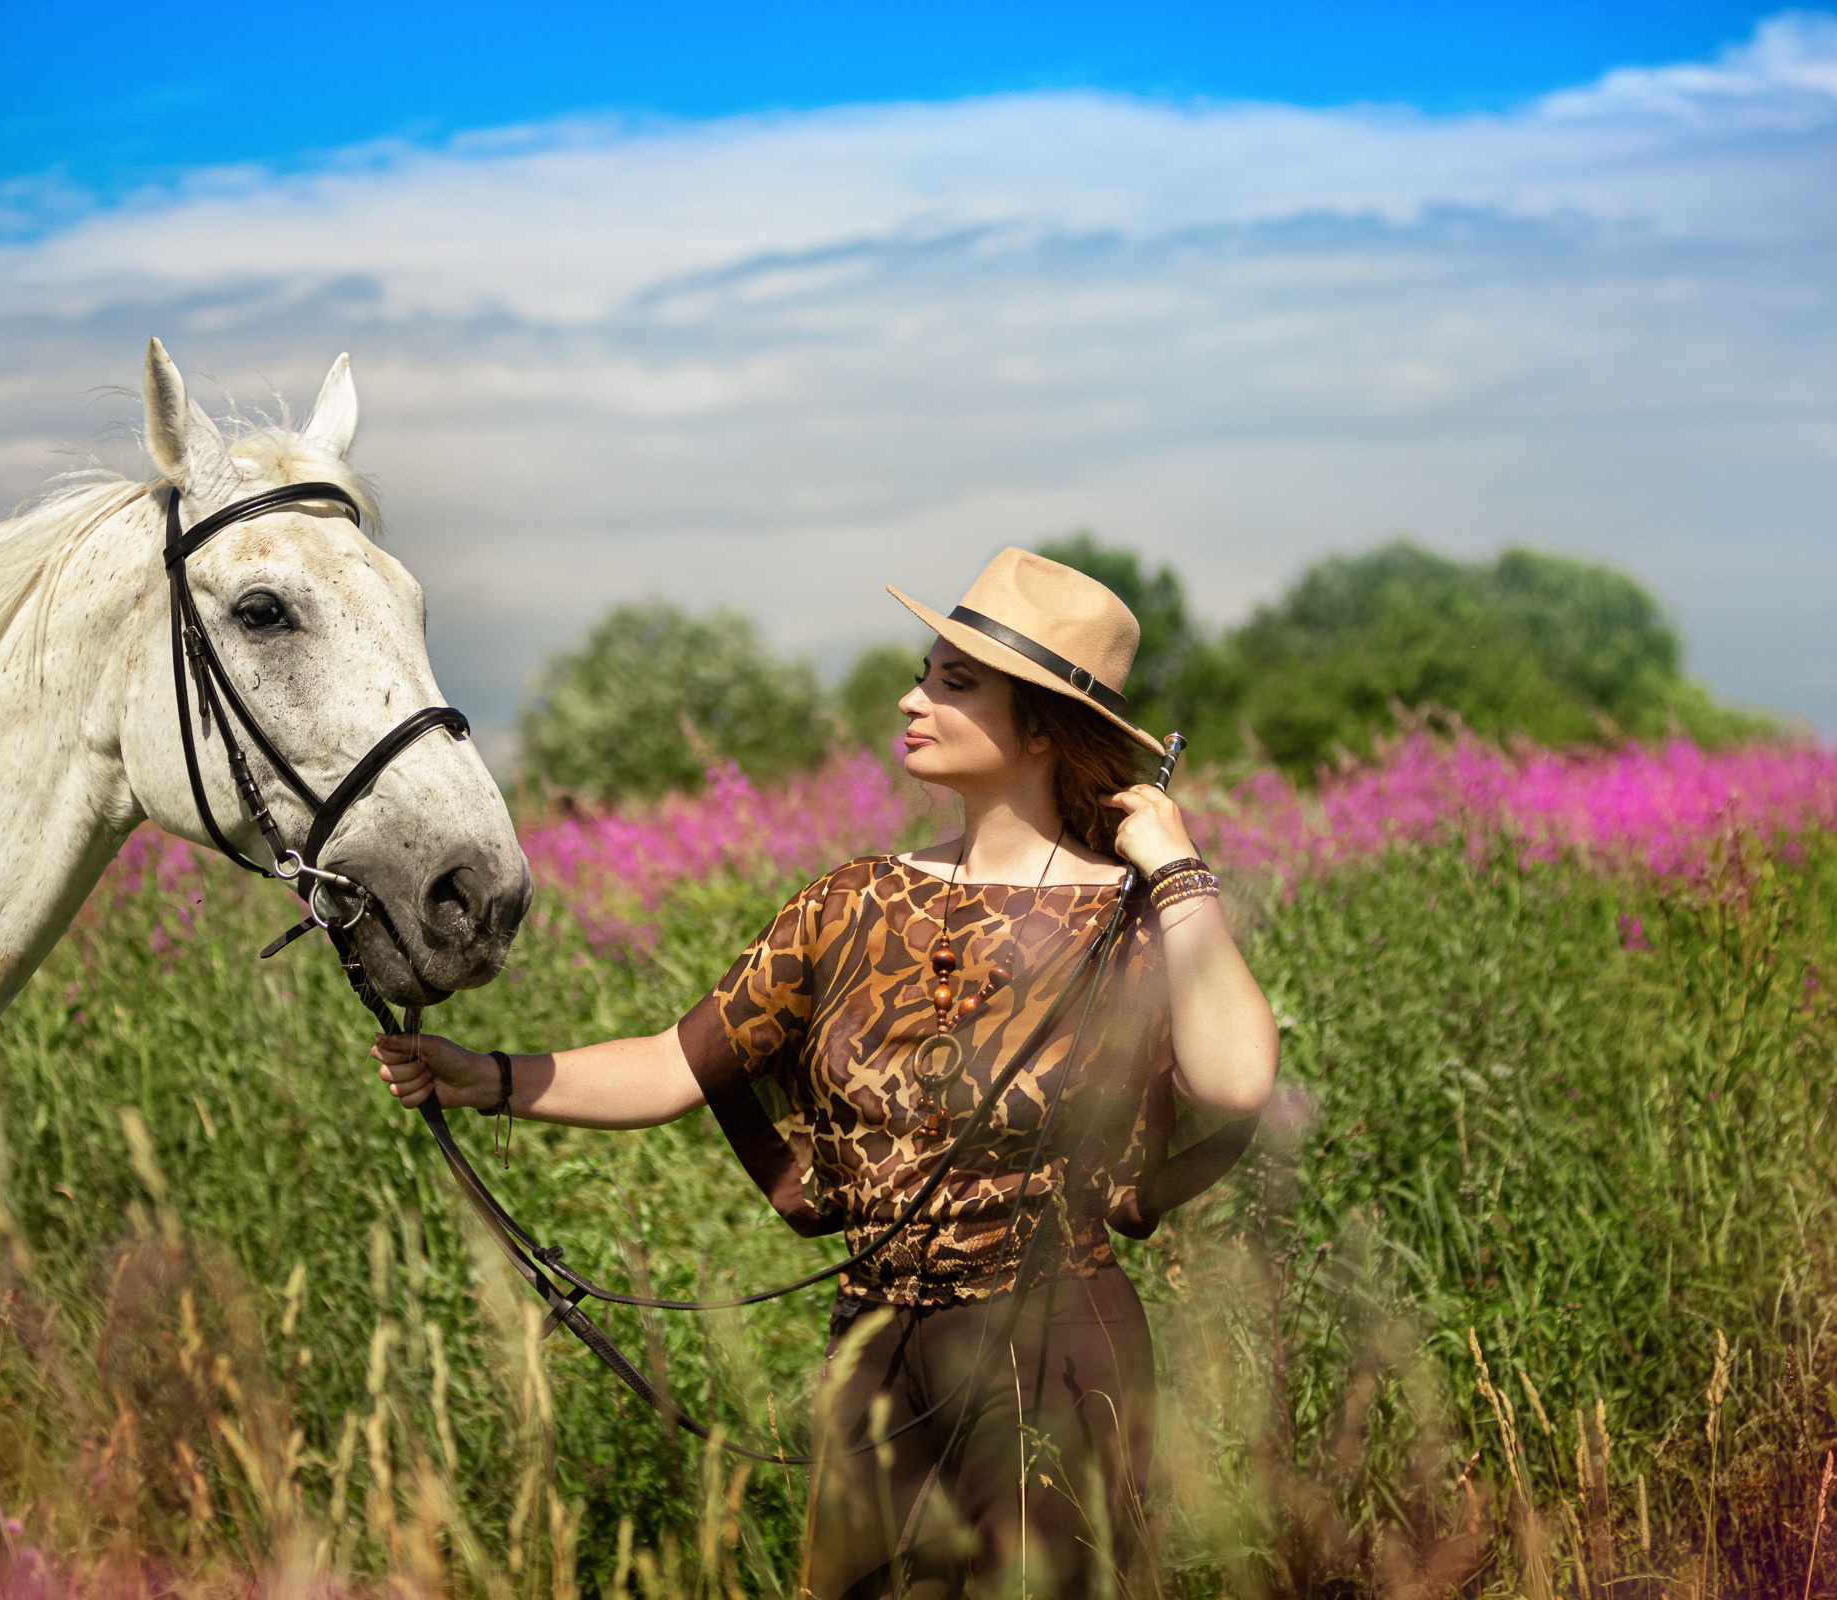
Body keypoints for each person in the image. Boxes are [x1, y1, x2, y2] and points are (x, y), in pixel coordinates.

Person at [372, 548, 1279, 1598]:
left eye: (953, 680)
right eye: (924, 670)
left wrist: (1173, 868)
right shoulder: (846, 903)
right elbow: (675, 1063)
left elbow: (1237, 1082)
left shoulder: (1128, 919)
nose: (912, 697)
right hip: (878, 1356)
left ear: (1040, 725)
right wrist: (484, 1076)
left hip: (1062, 1358)